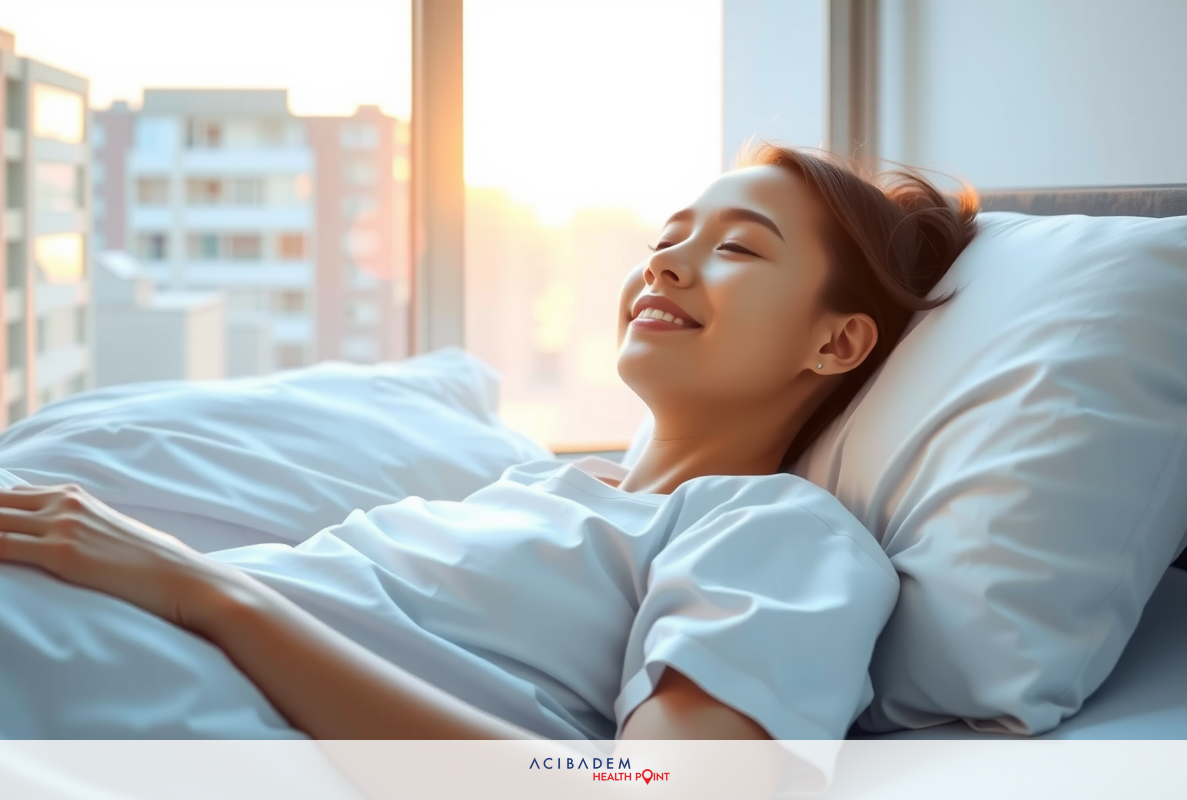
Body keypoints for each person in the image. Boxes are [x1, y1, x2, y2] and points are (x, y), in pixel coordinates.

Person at [0, 144, 976, 757]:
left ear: (836, 341)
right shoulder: (542, 483)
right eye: (669, 235)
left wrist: (209, 593)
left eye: (739, 247)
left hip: (160, 690)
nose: (664, 262)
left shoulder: (779, 533)